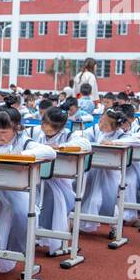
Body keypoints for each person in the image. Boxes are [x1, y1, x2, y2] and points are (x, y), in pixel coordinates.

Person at [0, 107, 56, 273]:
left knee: (20, 216)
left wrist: (23, 155)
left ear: (16, 128)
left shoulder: (23, 141)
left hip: (16, 191)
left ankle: (11, 257)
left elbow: (49, 152)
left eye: (3, 132)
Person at [30, 106, 91, 254]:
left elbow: (86, 145)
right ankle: (34, 236)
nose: (45, 129)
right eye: (43, 124)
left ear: (60, 128)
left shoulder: (69, 136)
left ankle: (55, 239)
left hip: (61, 184)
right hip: (36, 180)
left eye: (50, 129)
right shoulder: (33, 131)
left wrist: (60, 146)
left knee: (52, 195)